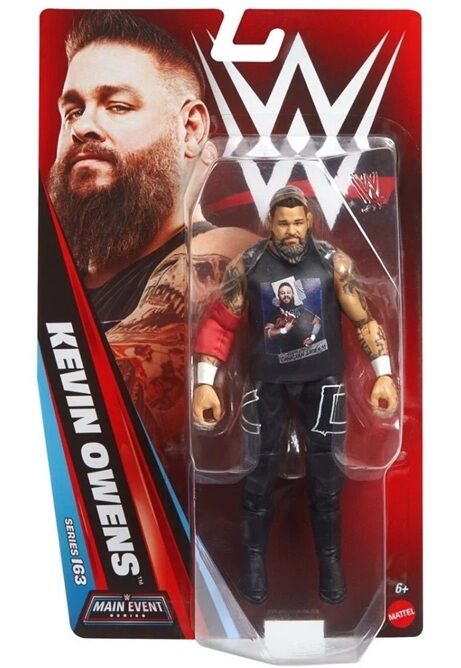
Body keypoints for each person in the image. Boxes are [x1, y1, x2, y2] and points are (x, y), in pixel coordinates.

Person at [48, 10, 256, 507]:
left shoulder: (224, 253)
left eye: (117, 106)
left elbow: (100, 408)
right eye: (72, 111)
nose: (83, 127)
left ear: (190, 128)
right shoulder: (51, 281)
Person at [192, 185, 398, 605]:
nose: (291, 231)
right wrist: (205, 384)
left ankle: (331, 564)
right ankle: (252, 564)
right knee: (257, 476)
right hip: (266, 385)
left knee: (327, 481)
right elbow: (219, 325)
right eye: (283, 223)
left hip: (323, 383)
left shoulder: (334, 265)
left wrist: (383, 375)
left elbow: (364, 320)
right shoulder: (248, 265)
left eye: (298, 222)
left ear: (309, 222)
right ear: (271, 223)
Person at [264, 281, 321, 353]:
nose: (286, 295)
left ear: (293, 294)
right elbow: (266, 333)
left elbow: (317, 321)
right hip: (287, 354)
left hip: (305, 351)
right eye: (282, 293)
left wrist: (312, 338)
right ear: (278, 296)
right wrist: (284, 330)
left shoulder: (301, 309)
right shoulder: (275, 313)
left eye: (288, 292)